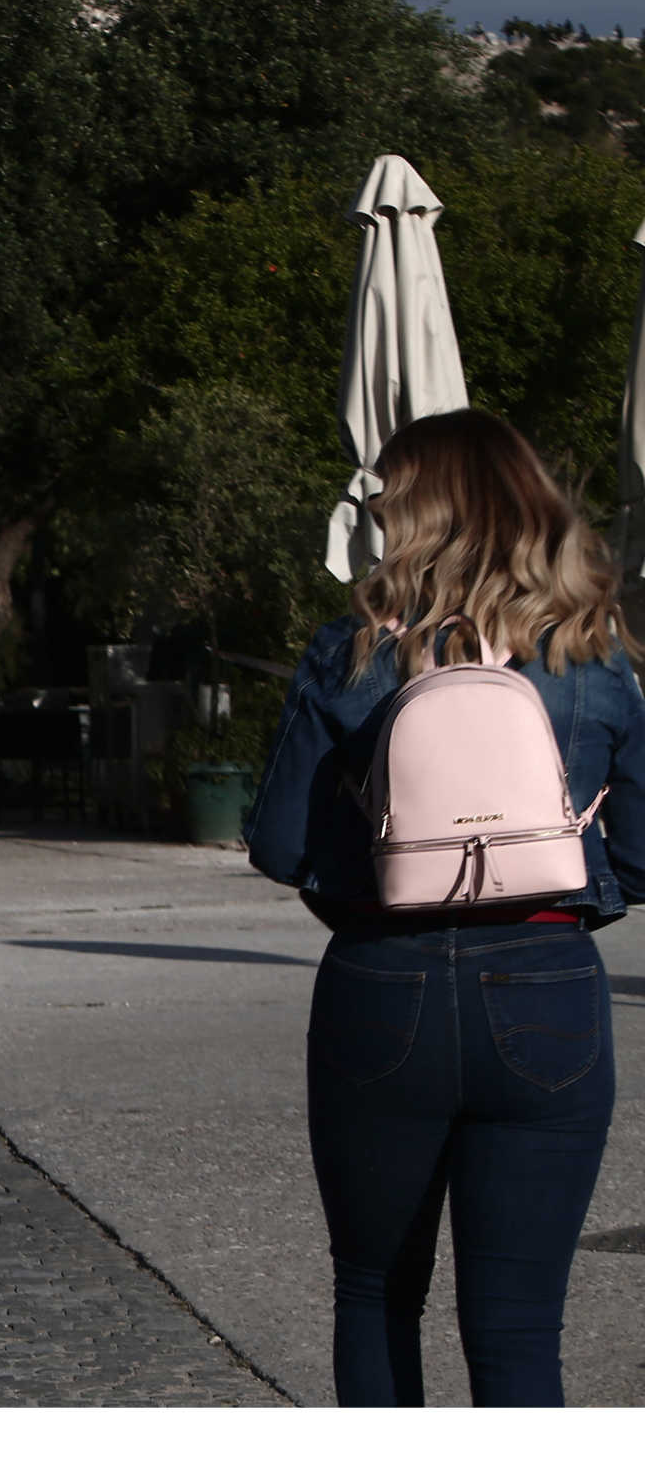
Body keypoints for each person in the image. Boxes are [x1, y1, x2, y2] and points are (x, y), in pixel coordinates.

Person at [247, 408, 641, 1406]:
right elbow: (639, 858)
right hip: (548, 984)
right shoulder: (595, 657)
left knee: (377, 1292)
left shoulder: (350, 653)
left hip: (380, 986)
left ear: (410, 516)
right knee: (517, 1328)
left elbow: (280, 846)